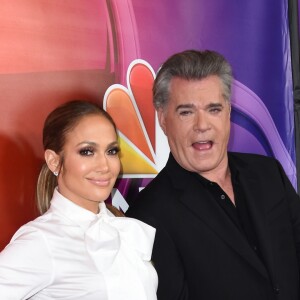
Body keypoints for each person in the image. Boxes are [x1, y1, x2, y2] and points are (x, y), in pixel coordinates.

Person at [126, 50, 300, 300]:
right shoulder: (148, 217)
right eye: (186, 112)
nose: (202, 125)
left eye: (214, 109)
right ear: (163, 119)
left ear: (228, 112)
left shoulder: (268, 173)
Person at [0, 100, 158, 299]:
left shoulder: (120, 226)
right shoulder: (42, 241)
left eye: (111, 151)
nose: (104, 166)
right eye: (87, 152)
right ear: (54, 161)